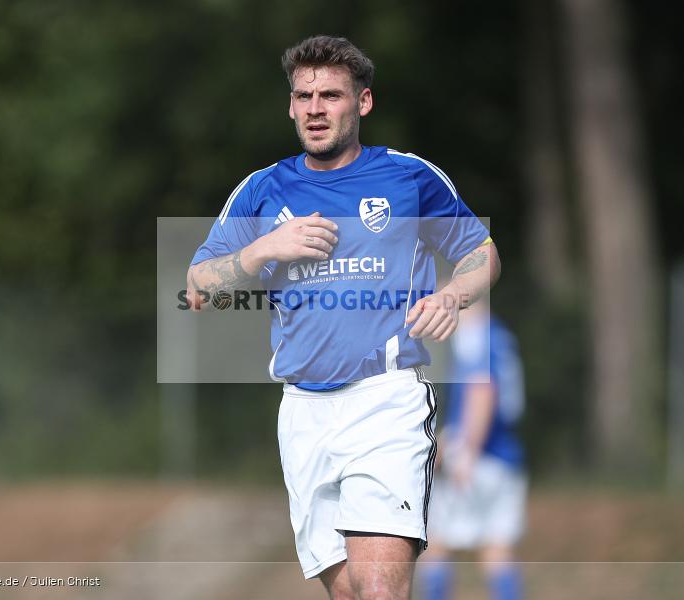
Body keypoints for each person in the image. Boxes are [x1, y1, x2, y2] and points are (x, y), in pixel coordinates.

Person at [187, 35, 499, 600]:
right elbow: (199, 287)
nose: (315, 108)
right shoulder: (262, 190)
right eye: (303, 96)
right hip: (302, 413)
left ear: (363, 102)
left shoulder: (408, 178)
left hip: (386, 401)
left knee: (380, 590)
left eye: (330, 95)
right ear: (289, 105)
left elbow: (483, 255)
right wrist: (264, 249)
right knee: (351, 592)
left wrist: (453, 294)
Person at [419, 301, 527, 600]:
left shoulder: (475, 333)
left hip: (475, 456)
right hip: (504, 455)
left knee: (436, 544)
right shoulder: (500, 334)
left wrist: (466, 451)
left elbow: (482, 390)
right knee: (497, 550)